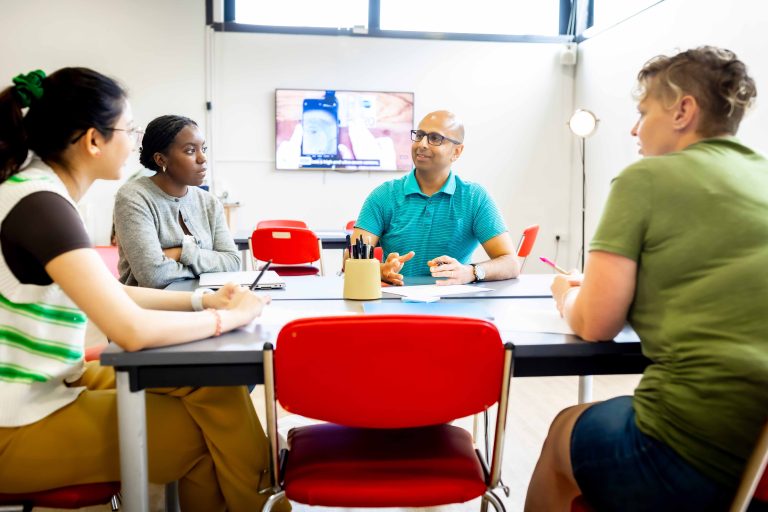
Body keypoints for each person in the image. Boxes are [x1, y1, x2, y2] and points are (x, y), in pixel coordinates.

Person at [0, 67, 287, 512]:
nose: (136, 141)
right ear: (93, 140)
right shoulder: (43, 206)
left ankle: (262, 498)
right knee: (208, 436)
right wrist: (230, 317)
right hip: (17, 422)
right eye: (128, 129)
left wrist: (203, 299)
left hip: (53, 387)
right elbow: (130, 329)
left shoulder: (40, 193)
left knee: (218, 389)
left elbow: (110, 292)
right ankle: (265, 499)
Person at [525, 46, 768, 511]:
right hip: (761, 459)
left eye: (643, 113)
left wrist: (565, 294)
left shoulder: (645, 180)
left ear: (683, 110)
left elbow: (596, 323)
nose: (634, 129)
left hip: (691, 447)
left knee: (561, 431)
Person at [352, 110, 521, 286]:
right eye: (419, 135)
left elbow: (511, 263)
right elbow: (351, 259)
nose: (422, 144)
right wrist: (379, 270)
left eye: (434, 138)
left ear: (457, 151)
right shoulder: (384, 196)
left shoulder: (474, 198)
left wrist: (471, 272)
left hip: (454, 306)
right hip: (396, 304)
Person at [114, 115, 240, 288]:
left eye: (203, 148)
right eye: (190, 150)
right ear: (161, 159)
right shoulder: (134, 197)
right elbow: (153, 275)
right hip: (150, 309)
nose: (202, 158)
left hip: (206, 303)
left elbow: (232, 262)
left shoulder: (209, 202)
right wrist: (209, 264)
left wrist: (182, 253)